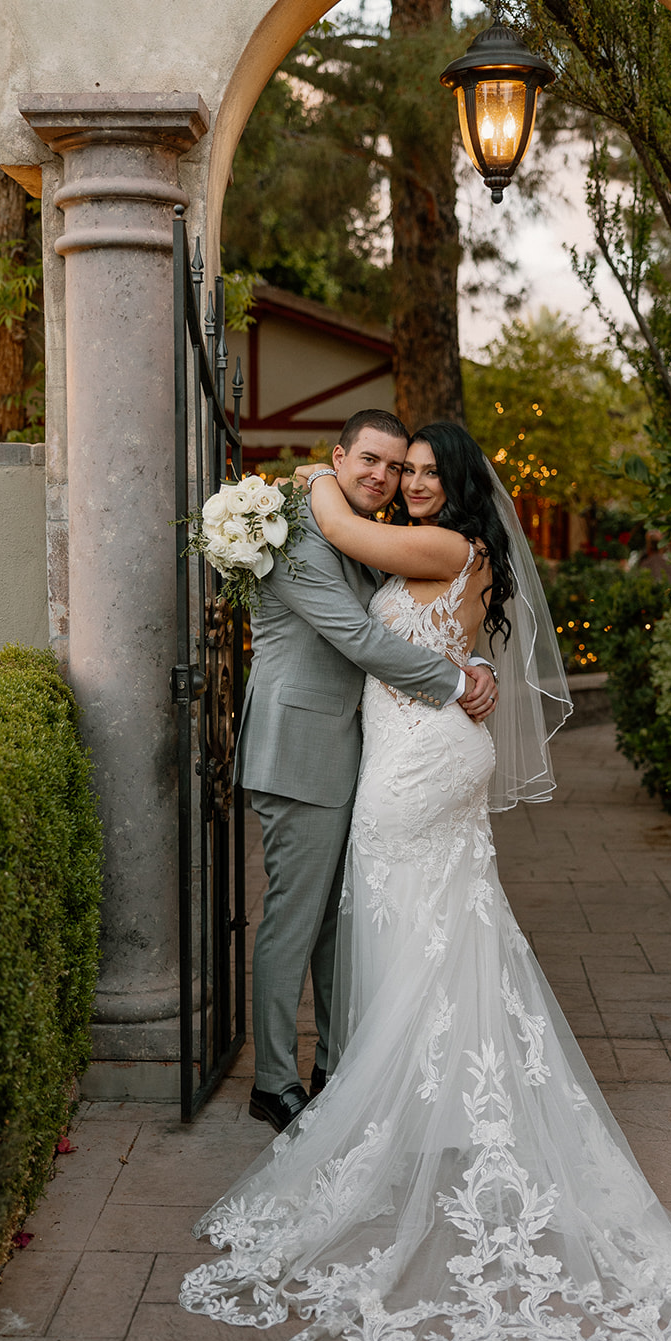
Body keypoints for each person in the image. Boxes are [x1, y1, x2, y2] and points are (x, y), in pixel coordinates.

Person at [182, 423, 671, 1341]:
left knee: (405, 923)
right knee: (426, 929)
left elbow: (350, 551)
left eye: (418, 470)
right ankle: (386, 1091)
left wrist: (300, 488)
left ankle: (384, 1106)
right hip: (411, 751)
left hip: (416, 763)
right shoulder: (427, 545)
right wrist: (449, 666)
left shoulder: (434, 545)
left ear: (452, 486)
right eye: (389, 467)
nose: (401, 482)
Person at [234, 409, 498, 1134]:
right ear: (339, 456)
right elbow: (354, 635)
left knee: (333, 924)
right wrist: (454, 684)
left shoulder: (371, 536)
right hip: (300, 750)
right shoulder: (290, 533)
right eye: (373, 461)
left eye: (400, 466)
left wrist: (472, 660)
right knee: (295, 920)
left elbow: (427, 614)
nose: (385, 477)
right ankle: (274, 1082)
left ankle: (338, 1063)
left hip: (368, 750)